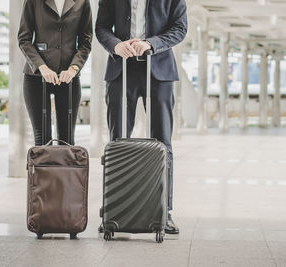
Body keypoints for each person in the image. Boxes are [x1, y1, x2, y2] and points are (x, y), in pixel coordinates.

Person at [96, 0, 187, 234]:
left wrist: (150, 43)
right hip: (121, 69)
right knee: (117, 141)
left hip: (160, 71)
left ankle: (163, 212)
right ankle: (113, 210)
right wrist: (116, 45)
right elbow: (102, 27)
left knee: (163, 142)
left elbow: (179, 28)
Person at [18, 0, 92, 145]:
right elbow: (24, 39)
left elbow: (86, 42)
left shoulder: (82, 2)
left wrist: (73, 68)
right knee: (42, 139)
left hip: (68, 78)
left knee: (67, 139)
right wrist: (42, 67)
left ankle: (65, 168)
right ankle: (42, 168)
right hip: (36, 77)